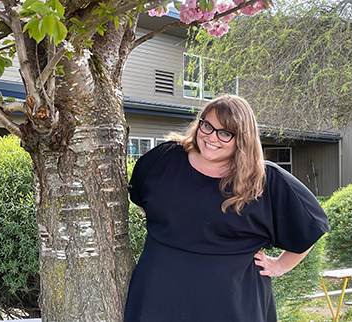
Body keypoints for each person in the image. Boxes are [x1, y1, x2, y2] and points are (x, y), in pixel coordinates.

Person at [125, 94, 329, 322]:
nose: (212, 137)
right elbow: (142, 202)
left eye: (225, 133)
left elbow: (309, 229)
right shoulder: (163, 160)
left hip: (233, 304)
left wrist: (280, 265)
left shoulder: (266, 180)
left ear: (243, 139)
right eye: (207, 126)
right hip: (158, 296)